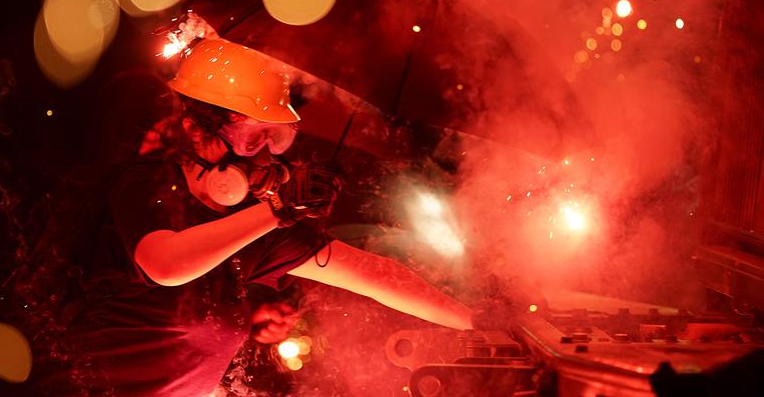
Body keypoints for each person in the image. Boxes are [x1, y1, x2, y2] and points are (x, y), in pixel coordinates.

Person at [37, 37, 472, 396]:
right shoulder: (144, 186)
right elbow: (166, 265)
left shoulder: (257, 225)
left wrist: (480, 321)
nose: (265, 154)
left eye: (277, 138)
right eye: (252, 137)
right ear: (196, 129)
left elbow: (376, 275)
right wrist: (278, 210)